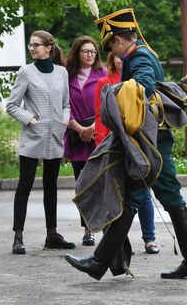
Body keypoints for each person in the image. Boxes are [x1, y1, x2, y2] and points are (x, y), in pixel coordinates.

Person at [65, 7, 187, 280]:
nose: (112, 54)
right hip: (152, 140)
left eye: (111, 47)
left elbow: (143, 87)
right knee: (152, 196)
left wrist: (112, 92)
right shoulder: (140, 53)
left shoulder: (138, 55)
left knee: (139, 197)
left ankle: (101, 262)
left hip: (150, 142)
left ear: (117, 39)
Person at [6, 30, 76, 254]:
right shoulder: (26, 72)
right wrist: (30, 119)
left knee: (51, 188)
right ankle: (18, 236)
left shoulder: (62, 73)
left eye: (36, 45)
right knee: (24, 186)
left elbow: (66, 103)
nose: (32, 48)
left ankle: (52, 234)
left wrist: (64, 120)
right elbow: (12, 105)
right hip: (33, 136)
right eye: (30, 45)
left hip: (55, 136)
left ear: (49, 48)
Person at [94, 51, 159, 254]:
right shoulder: (105, 81)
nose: (121, 61)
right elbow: (101, 114)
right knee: (116, 193)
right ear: (112, 59)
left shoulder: (135, 80)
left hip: (135, 141)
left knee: (143, 193)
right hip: (115, 141)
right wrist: (102, 142)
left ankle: (149, 239)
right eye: (118, 58)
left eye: (124, 58)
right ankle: (119, 246)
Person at [64, 36, 107, 246]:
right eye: (85, 51)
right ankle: (87, 229)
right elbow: (64, 106)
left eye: (93, 51)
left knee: (102, 185)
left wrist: (92, 128)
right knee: (82, 186)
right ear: (77, 53)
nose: (90, 55)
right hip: (77, 137)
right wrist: (78, 127)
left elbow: (108, 105)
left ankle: (108, 228)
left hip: (98, 137)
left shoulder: (103, 74)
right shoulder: (67, 77)